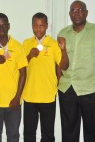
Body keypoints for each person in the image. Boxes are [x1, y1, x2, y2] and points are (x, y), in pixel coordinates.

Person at [57, 0, 95, 142]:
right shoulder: (63, 33)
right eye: (73, 10)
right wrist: (57, 82)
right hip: (67, 88)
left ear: (86, 13)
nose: (77, 13)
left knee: (93, 132)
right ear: (69, 14)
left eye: (80, 10)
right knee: (68, 132)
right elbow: (58, 62)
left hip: (91, 89)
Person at [22, 12, 69, 142]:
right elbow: (19, 67)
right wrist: (29, 56)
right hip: (29, 94)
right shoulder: (26, 43)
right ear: (32, 26)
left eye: (42, 26)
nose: (39, 29)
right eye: (36, 26)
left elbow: (64, 66)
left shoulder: (54, 44)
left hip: (48, 95)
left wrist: (64, 50)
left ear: (47, 26)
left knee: (48, 134)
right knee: (29, 133)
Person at [0, 13, 28, 142]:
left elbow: (23, 73)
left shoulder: (18, 47)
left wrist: (17, 97)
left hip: (13, 102)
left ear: (8, 26)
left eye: (4, 26)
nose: (1, 29)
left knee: (13, 136)